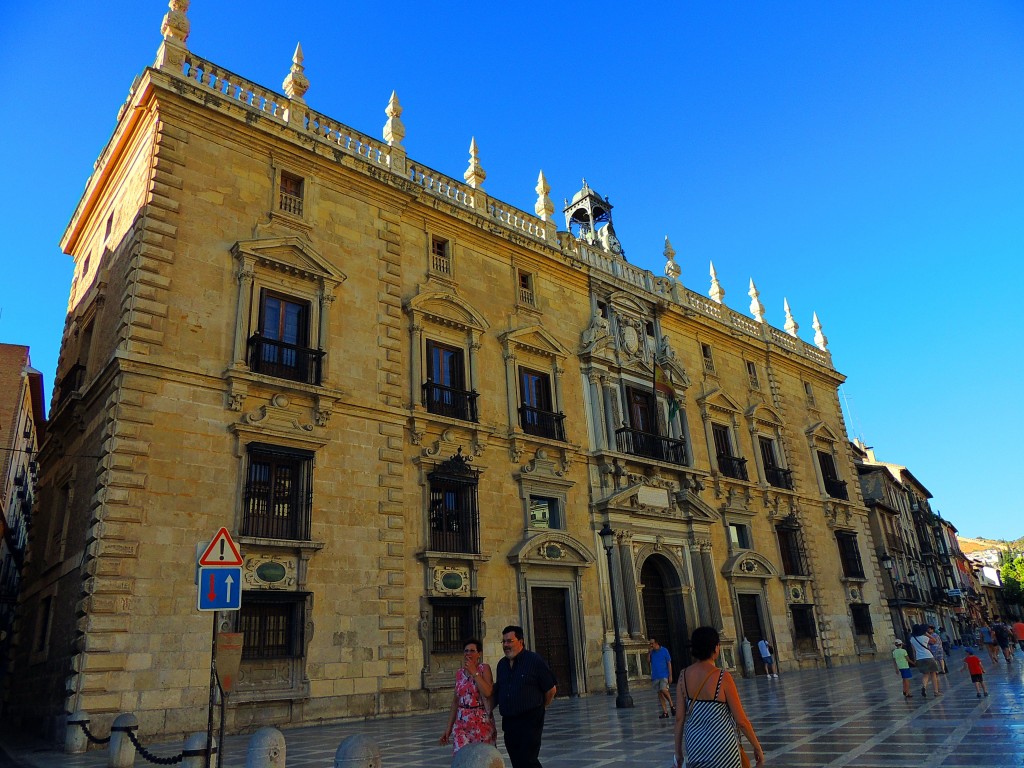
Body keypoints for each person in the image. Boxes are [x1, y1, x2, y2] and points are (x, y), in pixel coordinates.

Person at [674, 626, 765, 768]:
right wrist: (757, 746)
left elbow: (679, 718)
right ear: (716, 648)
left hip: (695, 744)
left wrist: (678, 751)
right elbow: (741, 720)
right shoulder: (723, 677)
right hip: (722, 745)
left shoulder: (683, 676)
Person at [493, 625, 557, 768]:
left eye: (509, 641)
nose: (506, 645)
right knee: (516, 760)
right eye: (503, 642)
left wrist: (541, 708)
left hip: (530, 719)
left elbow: (551, 689)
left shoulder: (534, 660)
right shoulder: (501, 665)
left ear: (520, 641)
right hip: (509, 722)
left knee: (528, 759)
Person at [439, 638, 497, 753]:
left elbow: (488, 692)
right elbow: (456, 702)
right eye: (466, 651)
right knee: (461, 757)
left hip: (481, 723)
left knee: (482, 758)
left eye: (472, 651)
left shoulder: (483, 669)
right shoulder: (459, 673)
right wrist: (448, 729)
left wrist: (474, 672)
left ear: (479, 654)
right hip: (462, 723)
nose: (468, 654)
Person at [908, 624, 940, 697]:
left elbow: (914, 651)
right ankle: (936, 692)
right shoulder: (924, 637)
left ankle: (924, 686)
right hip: (928, 657)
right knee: (933, 674)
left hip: (919, 658)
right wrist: (928, 634)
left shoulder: (912, 639)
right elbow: (934, 641)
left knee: (925, 674)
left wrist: (915, 659)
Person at [649, 637, 676, 719]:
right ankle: (665, 712)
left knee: (663, 689)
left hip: (664, 675)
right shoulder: (652, 652)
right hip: (655, 675)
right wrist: (649, 653)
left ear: (656, 643)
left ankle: (671, 704)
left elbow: (669, 663)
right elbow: (648, 661)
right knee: (660, 694)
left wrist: (670, 675)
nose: (650, 645)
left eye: (652, 643)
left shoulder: (664, 650)